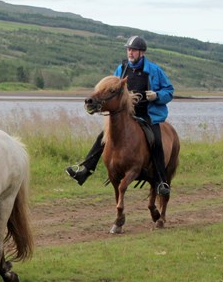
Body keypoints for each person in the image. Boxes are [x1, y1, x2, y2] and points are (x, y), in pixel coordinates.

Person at [66, 35, 175, 196]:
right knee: (102, 137)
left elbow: (169, 91)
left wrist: (157, 96)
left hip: (147, 114)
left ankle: (161, 181)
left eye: (134, 50)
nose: (130, 53)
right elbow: (111, 90)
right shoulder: (121, 69)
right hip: (126, 115)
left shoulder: (154, 70)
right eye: (128, 49)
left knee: (157, 141)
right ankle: (85, 170)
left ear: (141, 52)